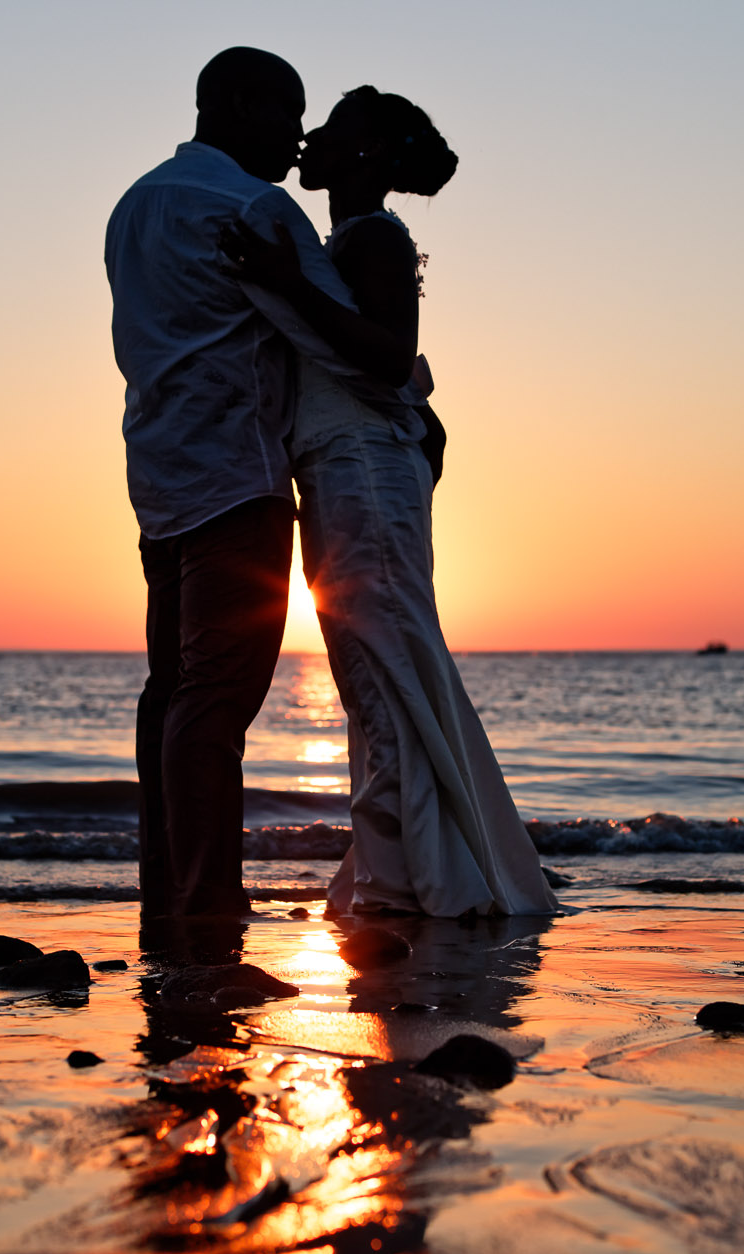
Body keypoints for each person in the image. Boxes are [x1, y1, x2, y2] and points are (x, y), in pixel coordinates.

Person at [222, 87, 560, 917]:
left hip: (363, 472)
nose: (310, 138)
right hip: (345, 468)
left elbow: (386, 355)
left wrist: (285, 284)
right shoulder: (346, 239)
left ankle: (423, 877)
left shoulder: (373, 236)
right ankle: (410, 863)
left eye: (332, 129)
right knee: (373, 667)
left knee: (384, 663)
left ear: (366, 155)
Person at [104, 48, 359, 916]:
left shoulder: (132, 207)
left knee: (170, 692)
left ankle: (167, 893)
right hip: (237, 483)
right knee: (213, 701)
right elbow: (347, 337)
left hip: (158, 479)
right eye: (287, 113)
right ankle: (208, 905)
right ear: (241, 105)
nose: (296, 137)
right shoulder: (255, 207)